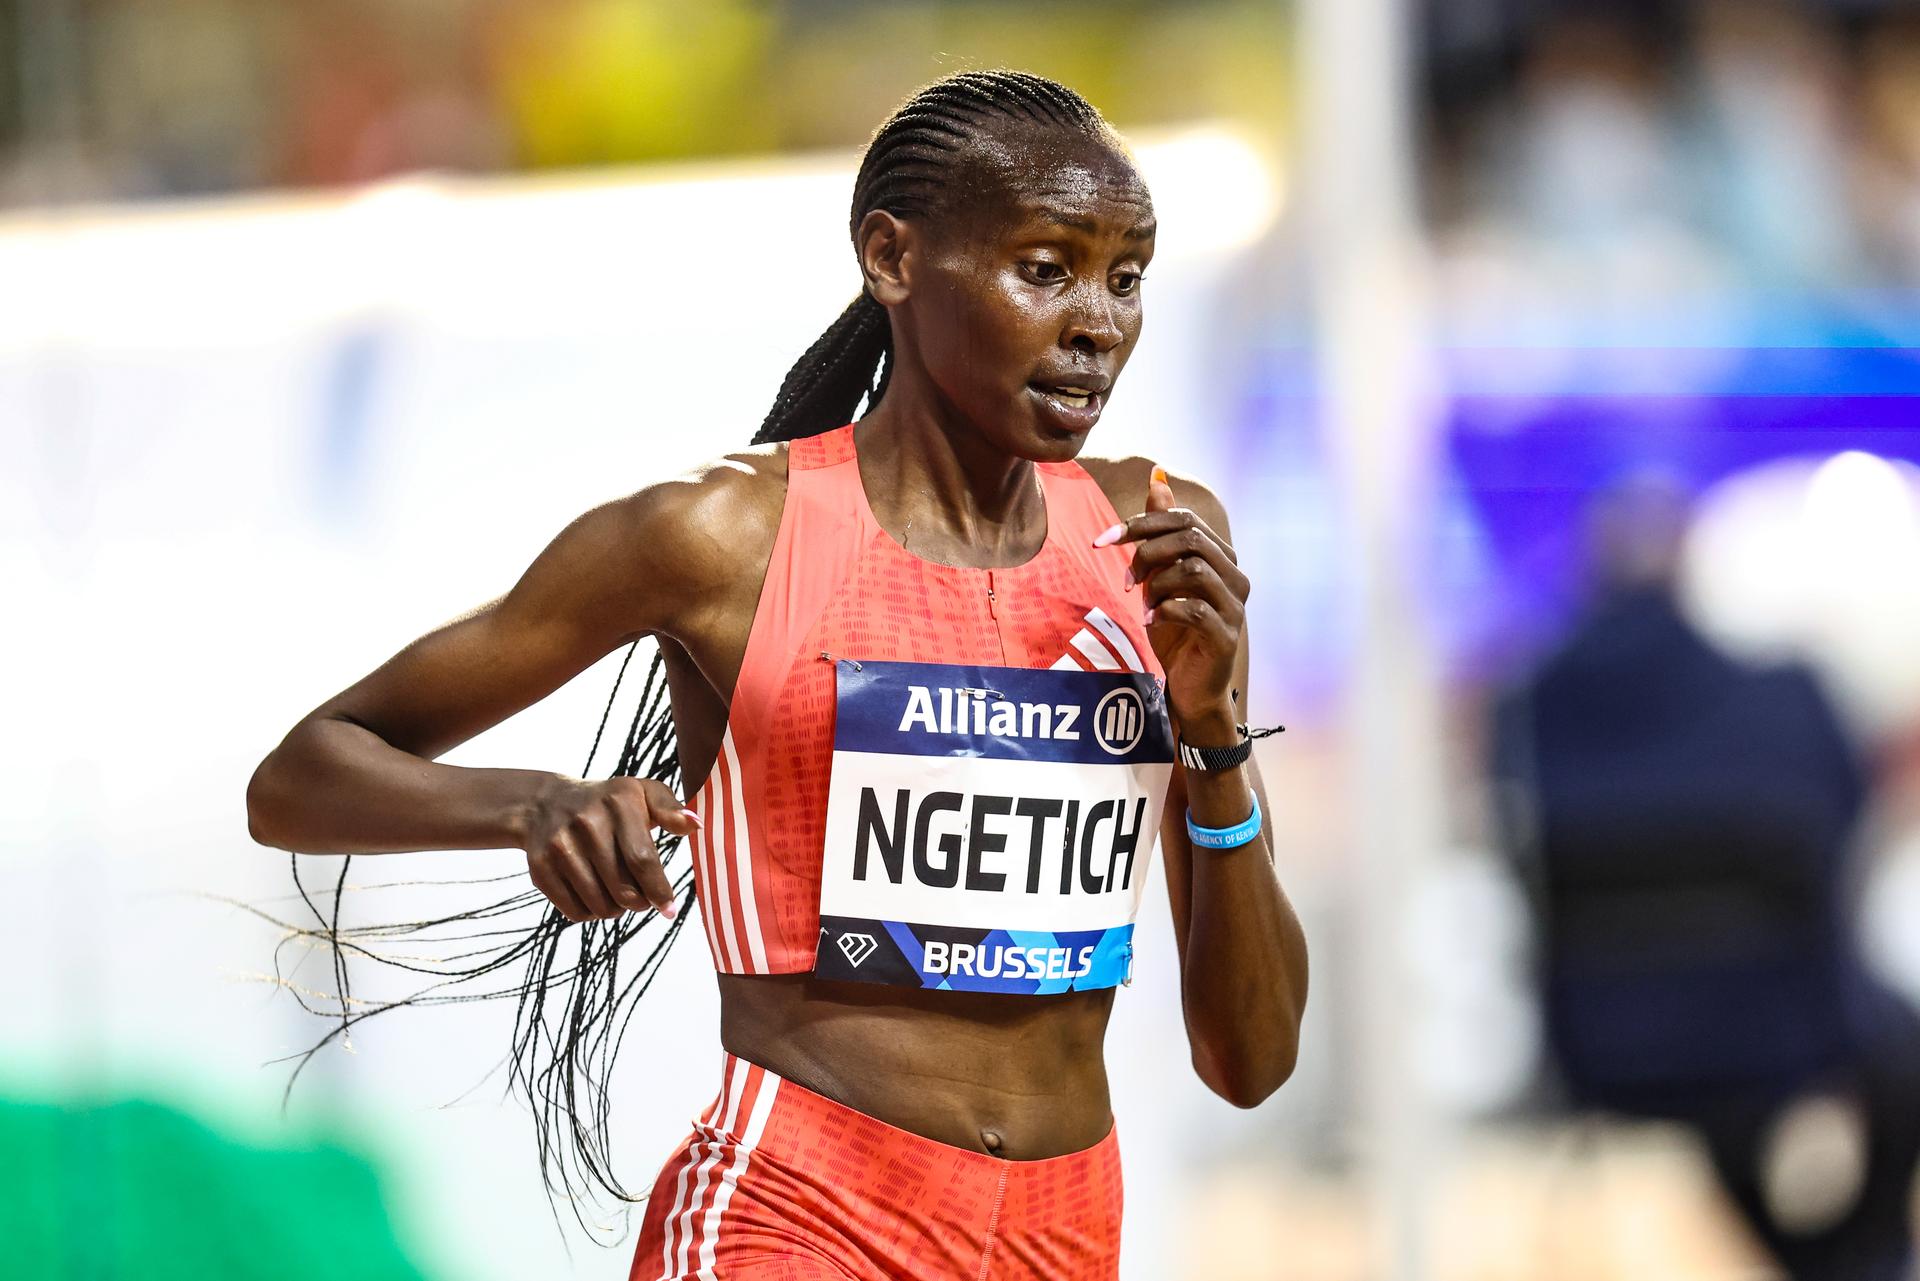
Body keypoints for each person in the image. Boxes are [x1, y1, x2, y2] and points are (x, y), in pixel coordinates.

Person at [247, 70, 1308, 1280]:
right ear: (893, 259)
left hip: (1066, 1233)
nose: (1098, 321)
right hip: (798, 1220)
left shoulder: (1156, 543)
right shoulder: (724, 538)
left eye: (1127, 277)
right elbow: (299, 774)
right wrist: (534, 804)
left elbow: (1252, 1059)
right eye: (1047, 266)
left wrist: (1214, 731)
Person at [1492, 478, 1920, 1281]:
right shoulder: (1785, 701)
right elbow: (1849, 825)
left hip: (1595, 1050)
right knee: (1897, 1051)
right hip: (1788, 1040)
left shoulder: (1526, 716)